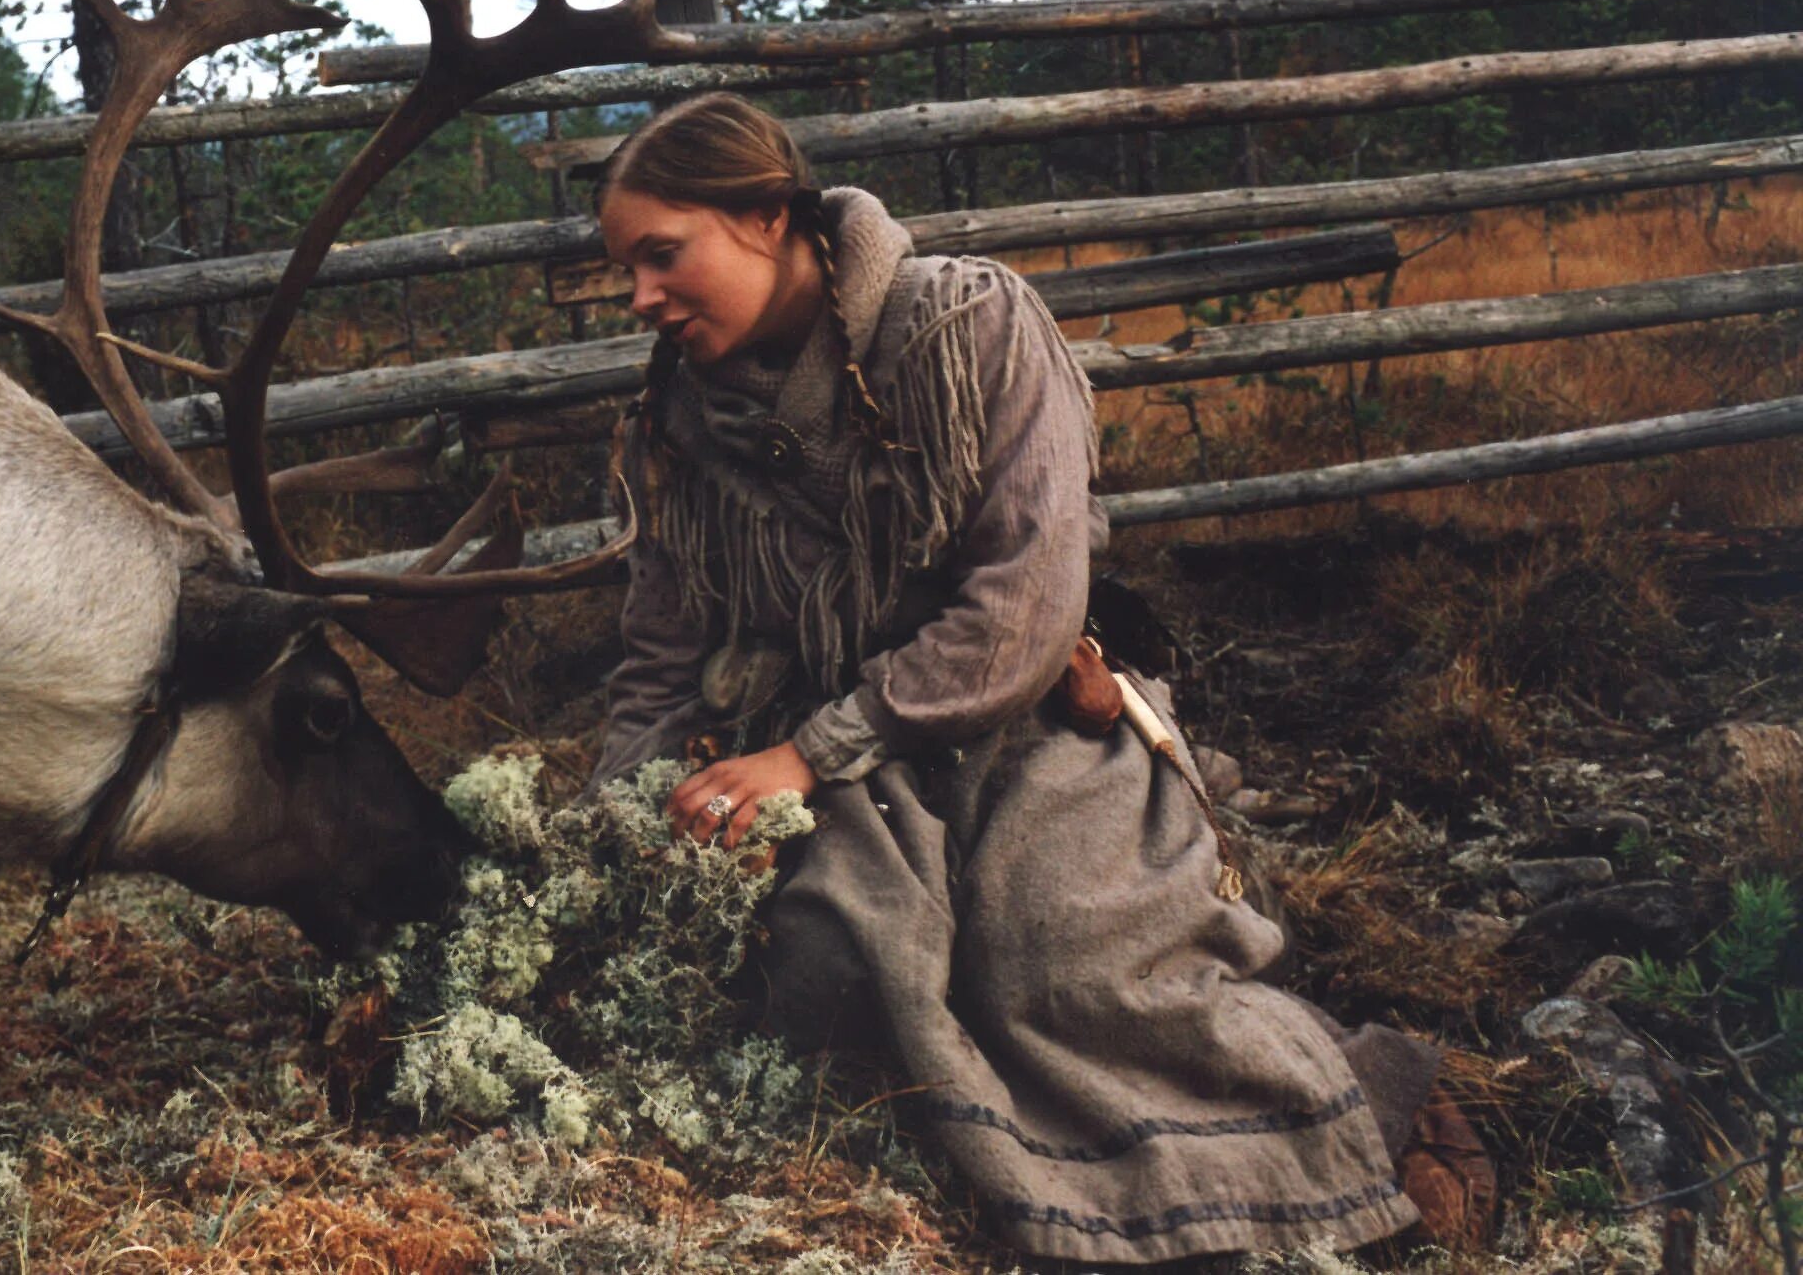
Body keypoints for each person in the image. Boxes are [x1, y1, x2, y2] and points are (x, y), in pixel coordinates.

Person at [585, 93, 1491, 1263]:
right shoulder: (676, 416)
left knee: (1052, 961)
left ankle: (1366, 1111)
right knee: (834, 960)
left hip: (1014, 719)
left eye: (661, 256)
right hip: (819, 749)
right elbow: (662, 645)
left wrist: (807, 752)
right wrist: (615, 819)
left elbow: (1023, 603)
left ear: (766, 216)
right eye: (625, 271)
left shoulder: (965, 323)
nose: (640, 299)